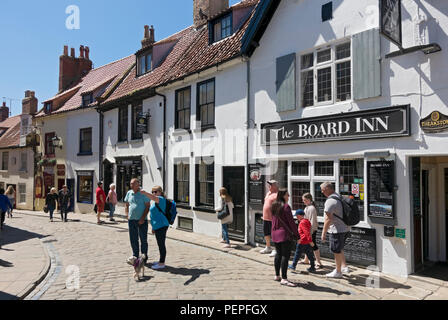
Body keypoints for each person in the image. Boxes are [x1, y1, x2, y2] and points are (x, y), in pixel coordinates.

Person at [320, 182, 350, 278]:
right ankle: (344, 266)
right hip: (345, 228)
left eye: (323, 190)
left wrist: (323, 232)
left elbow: (328, 219)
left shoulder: (330, 201)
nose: (322, 192)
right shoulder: (338, 196)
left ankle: (338, 271)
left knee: (336, 250)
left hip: (336, 229)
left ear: (328, 189)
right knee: (339, 248)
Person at [271, 189, 299, 287]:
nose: (289, 196)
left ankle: (277, 275)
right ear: (283, 196)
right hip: (284, 234)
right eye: (287, 194)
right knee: (285, 256)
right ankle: (284, 278)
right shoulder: (286, 207)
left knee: (278, 254)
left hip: (275, 233)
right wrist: (297, 234)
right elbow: (291, 222)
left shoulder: (274, 205)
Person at [140, 186, 171, 270]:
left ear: (160, 192)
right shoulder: (155, 201)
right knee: (160, 243)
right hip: (157, 226)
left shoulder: (160, 199)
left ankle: (162, 263)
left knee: (161, 244)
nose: (154, 193)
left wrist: (145, 193)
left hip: (162, 225)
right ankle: (161, 261)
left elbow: (153, 197)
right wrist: (153, 227)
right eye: (152, 191)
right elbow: (154, 215)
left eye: (155, 191)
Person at [125, 178, 151, 265]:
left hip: (142, 221)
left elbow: (147, 206)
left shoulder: (143, 193)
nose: (131, 185)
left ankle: (144, 257)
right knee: (133, 239)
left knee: (143, 239)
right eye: (131, 184)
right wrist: (127, 214)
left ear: (138, 184)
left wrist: (143, 218)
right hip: (132, 220)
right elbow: (127, 204)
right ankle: (135, 256)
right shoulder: (129, 193)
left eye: (133, 184)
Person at [301, 193, 324, 268]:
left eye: (304, 200)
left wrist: (310, 231)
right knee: (307, 244)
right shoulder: (307, 207)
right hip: (308, 230)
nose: (303, 201)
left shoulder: (311, 208)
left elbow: (312, 221)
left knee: (313, 245)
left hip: (311, 230)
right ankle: (306, 259)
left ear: (308, 200)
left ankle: (319, 262)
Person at [260, 180, 278, 257]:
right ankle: (268, 247)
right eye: (269, 184)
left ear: (275, 186)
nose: (269, 186)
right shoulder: (268, 193)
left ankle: (275, 249)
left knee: (274, 235)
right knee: (266, 233)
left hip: (273, 218)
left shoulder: (277, 195)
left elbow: (279, 206)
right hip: (265, 218)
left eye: (271, 184)